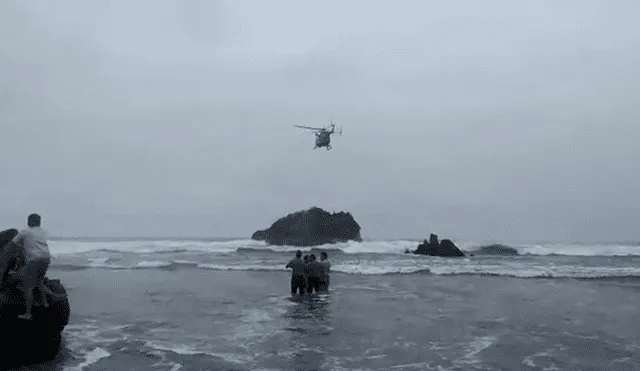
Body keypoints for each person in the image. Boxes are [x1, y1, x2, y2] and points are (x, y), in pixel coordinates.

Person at [12, 213, 52, 320]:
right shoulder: (43, 232)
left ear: (29, 222)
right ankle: (45, 303)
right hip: (46, 258)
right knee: (39, 281)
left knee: (28, 286)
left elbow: (13, 243)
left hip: (34, 260)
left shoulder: (25, 231)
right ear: (39, 222)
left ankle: (28, 314)